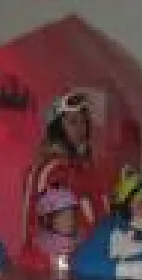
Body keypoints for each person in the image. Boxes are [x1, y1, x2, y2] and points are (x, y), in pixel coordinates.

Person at [23, 91, 109, 245]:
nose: (80, 128)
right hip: (64, 255)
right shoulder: (52, 169)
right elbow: (46, 222)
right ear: (58, 128)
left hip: (91, 252)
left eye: (84, 121)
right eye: (73, 122)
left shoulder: (86, 167)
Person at [18, 187, 79, 278]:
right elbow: (24, 265)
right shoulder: (36, 248)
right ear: (47, 220)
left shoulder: (80, 242)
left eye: (71, 216)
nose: (69, 221)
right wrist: (46, 262)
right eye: (63, 216)